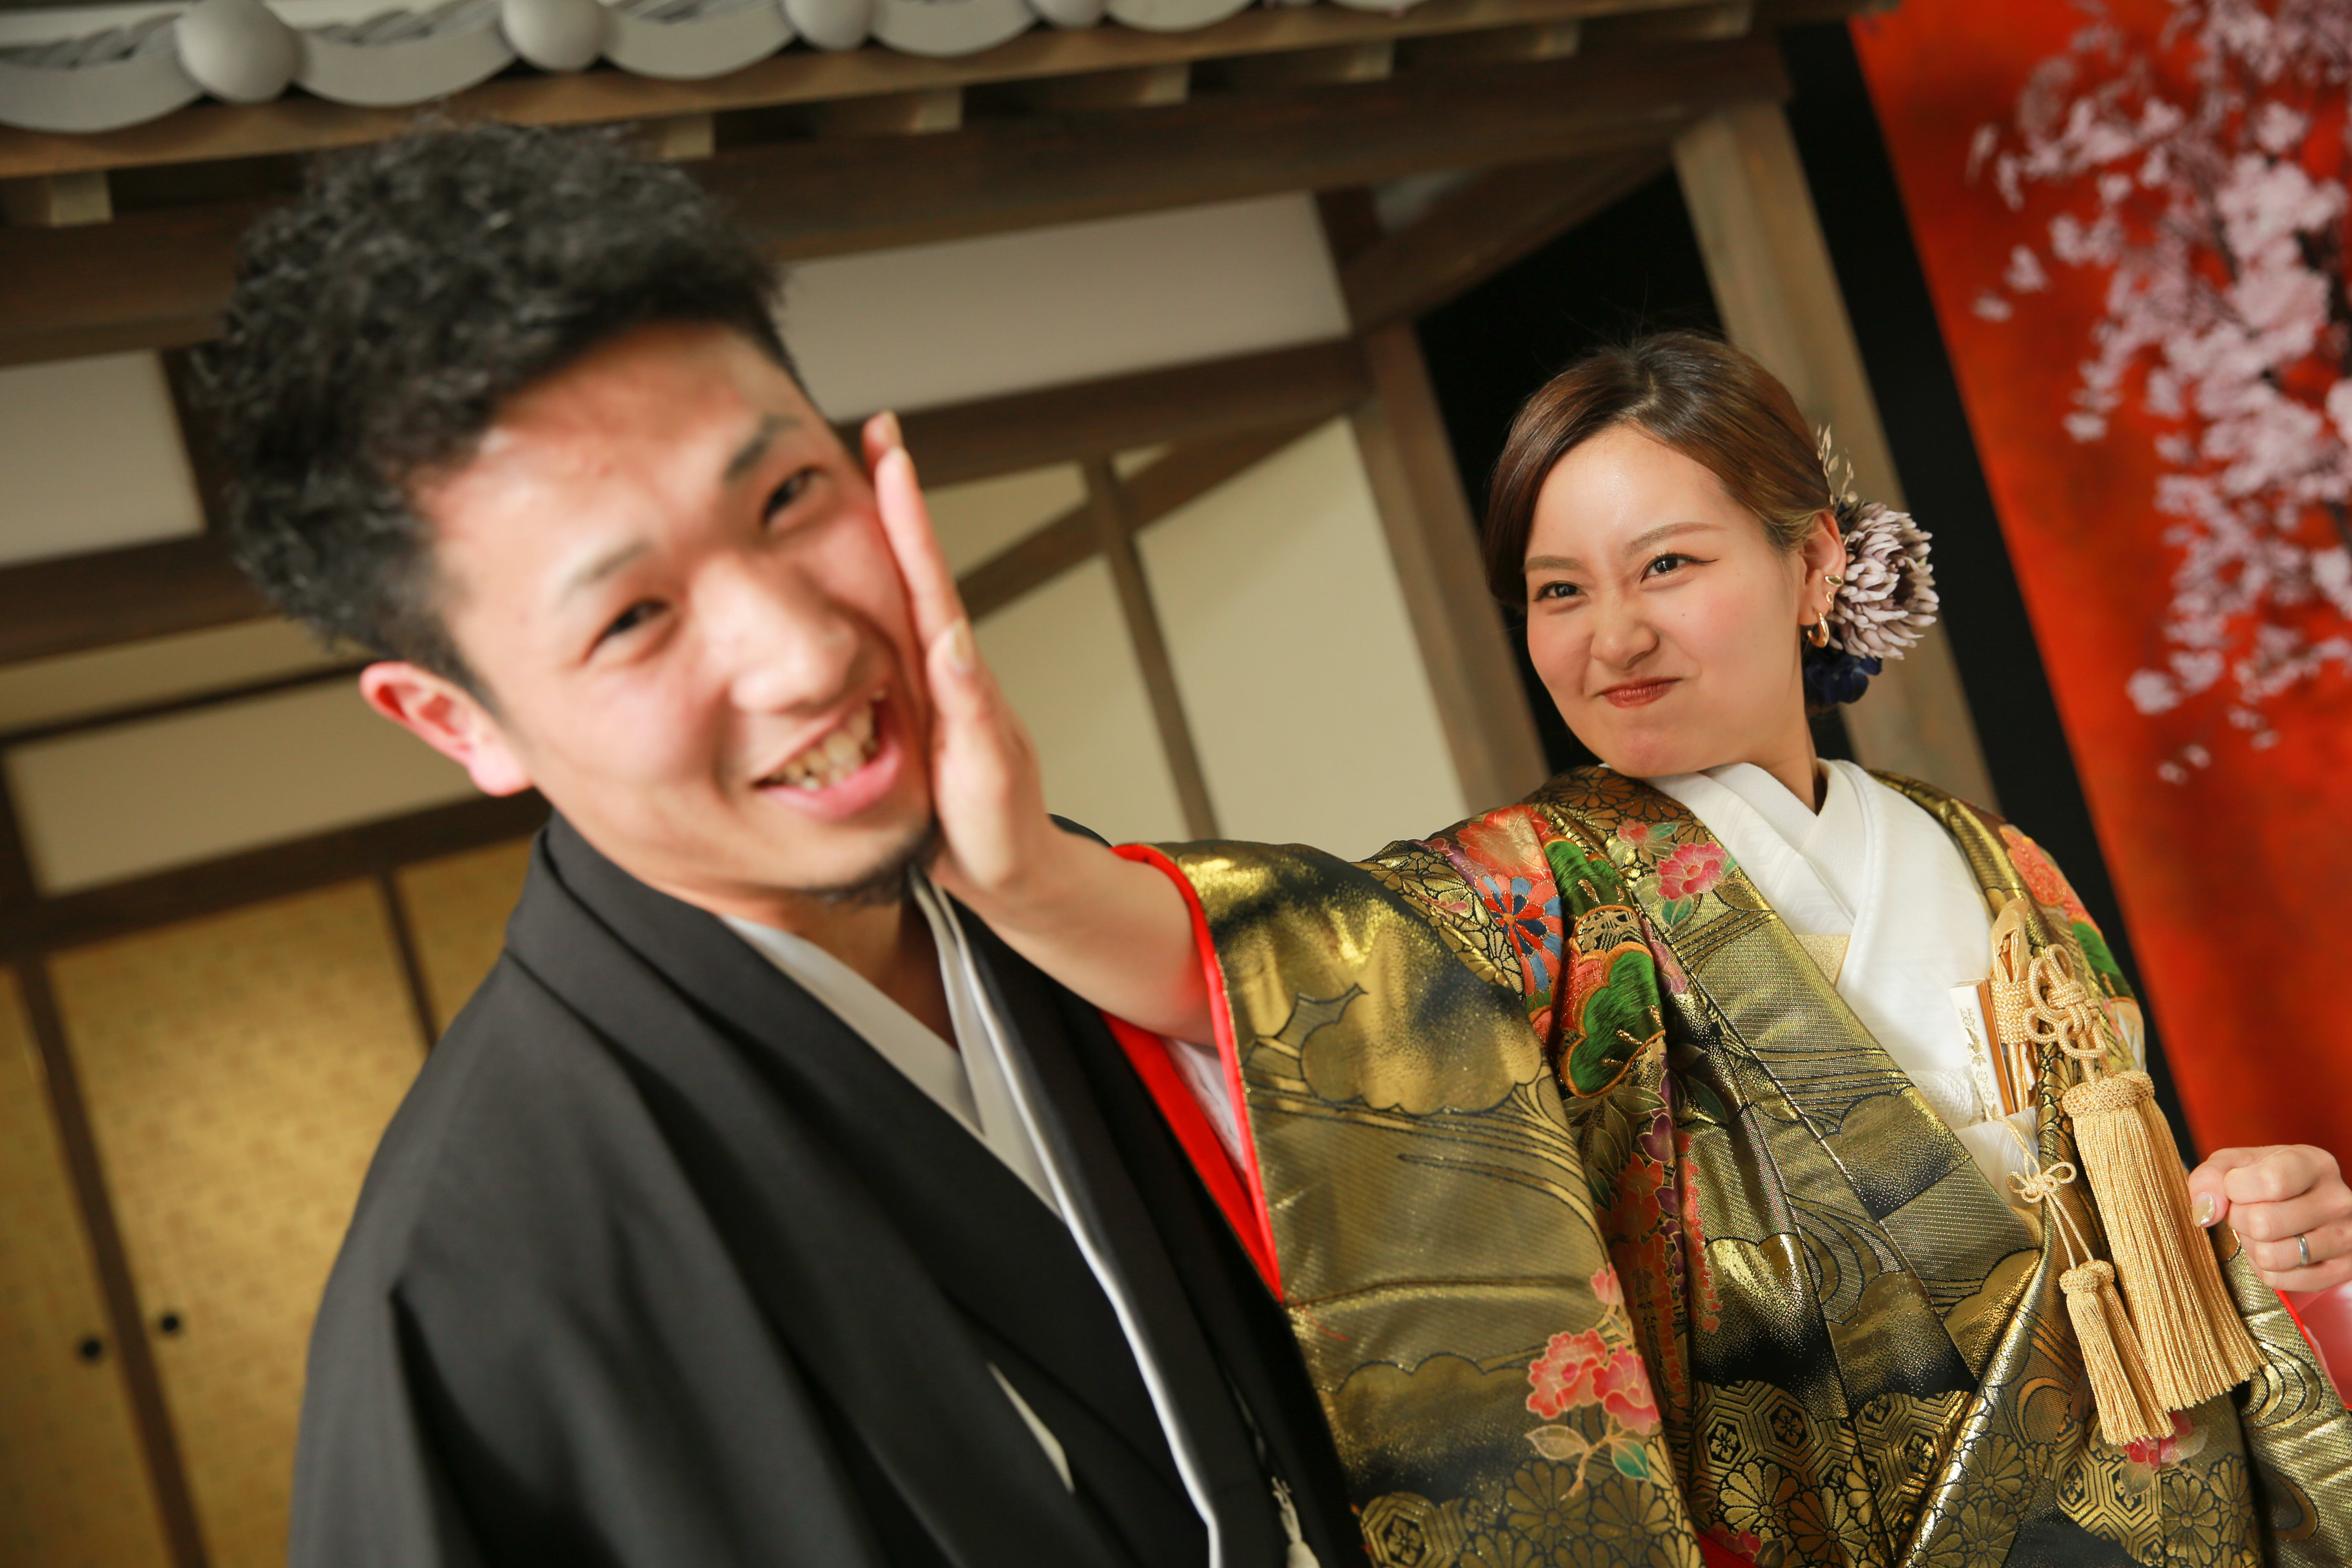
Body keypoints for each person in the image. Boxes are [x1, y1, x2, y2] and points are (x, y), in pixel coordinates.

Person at [914, 334, 2352, 1565]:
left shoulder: (2000, 863)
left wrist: (2252, 1223)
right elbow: (1264, 969)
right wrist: (1016, 865)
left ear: (1813, 562)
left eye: (1667, 565)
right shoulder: (1536, 891)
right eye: (1559, 592)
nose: (1612, 638)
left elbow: (2124, 1250)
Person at [198, 123, 1356, 1568]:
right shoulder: (469, 1293)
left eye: (790, 498)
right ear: (457, 721)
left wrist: (1076, 909)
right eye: (634, 617)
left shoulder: (1099, 924)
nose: (803, 654)